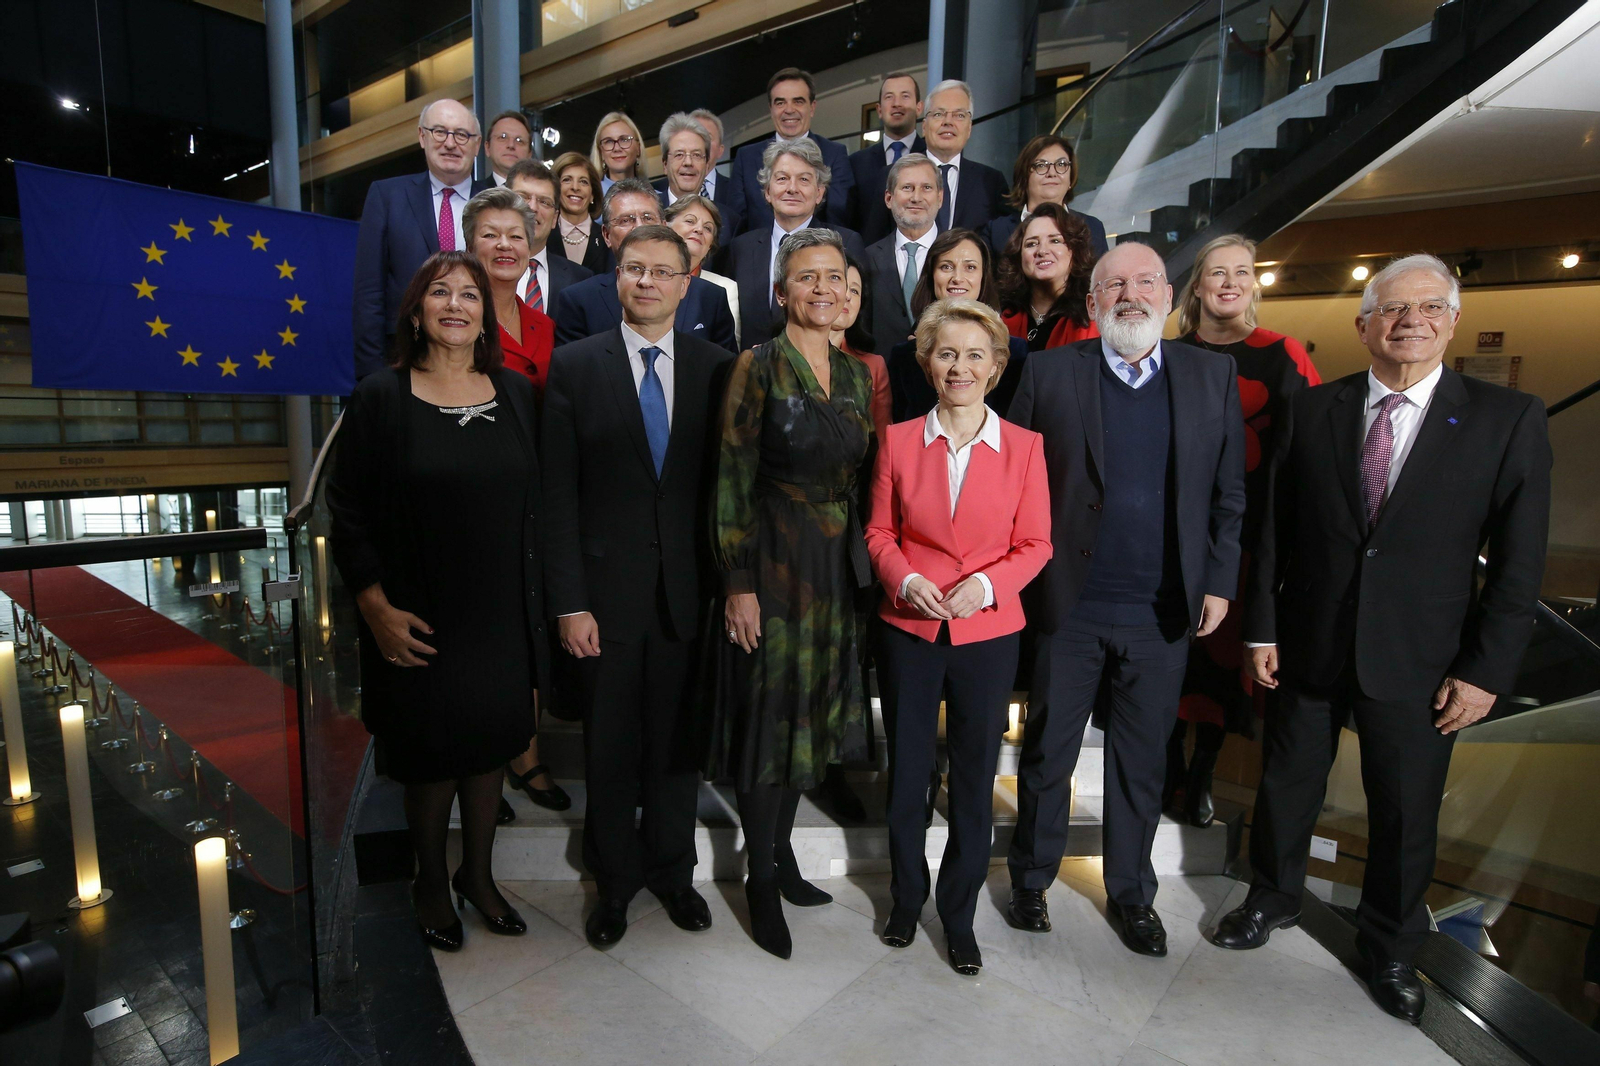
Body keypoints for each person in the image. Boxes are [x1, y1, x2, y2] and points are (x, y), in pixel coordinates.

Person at [1213, 254, 1551, 1025]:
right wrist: (1261, 628)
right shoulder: (1313, 408)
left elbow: (1520, 566)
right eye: (1393, 310)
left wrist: (1484, 672)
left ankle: (1393, 949)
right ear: (1366, 325)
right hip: (1308, 642)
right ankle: (1272, 899)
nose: (1410, 321)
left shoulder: (1506, 419)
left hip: (1425, 659)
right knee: (1286, 785)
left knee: (1405, 812)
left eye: (1429, 308)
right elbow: (1275, 535)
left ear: (1453, 321)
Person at [1005, 241, 1245, 960]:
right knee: (1048, 750)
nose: (1130, 295)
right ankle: (1031, 879)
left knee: (1142, 760)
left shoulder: (1212, 374)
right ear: (1093, 301)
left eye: (1145, 283)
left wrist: (1220, 582)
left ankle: (1134, 894)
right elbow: (1013, 483)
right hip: (1068, 605)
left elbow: (1229, 497)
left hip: (1163, 609)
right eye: (1114, 285)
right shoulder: (1046, 373)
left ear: (1170, 298)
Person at [328, 250, 547, 951]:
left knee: (487, 751)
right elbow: (348, 510)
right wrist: (373, 607)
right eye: (440, 293)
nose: (456, 305)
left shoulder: (515, 393)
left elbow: (539, 503)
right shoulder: (380, 397)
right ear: (417, 311)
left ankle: (477, 878)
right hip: (415, 614)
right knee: (429, 758)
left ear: (488, 313)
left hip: (500, 612)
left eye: (471, 295)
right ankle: (430, 881)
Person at [543, 226, 732, 948]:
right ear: (616, 279)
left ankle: (673, 875)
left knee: (677, 750)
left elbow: (726, 490)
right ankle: (613, 885)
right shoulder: (574, 367)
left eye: (663, 271)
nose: (647, 282)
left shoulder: (721, 368)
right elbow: (556, 497)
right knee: (611, 752)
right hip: (602, 602)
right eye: (634, 269)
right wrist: (569, 602)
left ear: (688, 285)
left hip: (689, 598)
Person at [864, 298, 1052, 976]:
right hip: (909, 627)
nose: (961, 366)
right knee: (908, 773)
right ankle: (905, 901)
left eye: (976, 355)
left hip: (989, 633)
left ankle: (960, 914)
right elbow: (879, 533)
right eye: (947, 353)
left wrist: (989, 585)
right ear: (927, 361)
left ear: (997, 367)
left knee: (974, 779)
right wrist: (905, 579)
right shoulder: (897, 440)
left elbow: (1036, 544)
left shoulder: (1026, 448)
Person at [705, 228, 876, 960]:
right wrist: (737, 583)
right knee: (769, 718)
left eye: (832, 278)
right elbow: (732, 477)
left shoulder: (858, 374)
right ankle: (760, 879)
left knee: (813, 711)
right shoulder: (758, 365)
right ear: (781, 292)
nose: (820, 289)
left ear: (847, 292)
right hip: (772, 557)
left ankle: (783, 854)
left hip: (836, 564)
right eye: (805, 278)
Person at [1163, 235, 1320, 827]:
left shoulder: (1283, 355)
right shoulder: (1168, 353)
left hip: (1250, 537)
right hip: (1173, 532)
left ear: (1254, 284)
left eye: (1242, 273)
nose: (1229, 282)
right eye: (1217, 272)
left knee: (1224, 661)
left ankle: (1201, 774)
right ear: (1197, 284)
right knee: (1173, 655)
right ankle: (1169, 772)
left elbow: (1308, 449)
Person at [352, 99, 492, 379]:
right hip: (403, 357)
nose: (451, 143)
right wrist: (371, 376)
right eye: (440, 132)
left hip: (480, 356)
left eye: (462, 135)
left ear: (476, 145)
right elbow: (369, 292)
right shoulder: (387, 196)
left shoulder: (495, 202)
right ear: (422, 136)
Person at [550, 179, 737, 353]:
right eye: (626, 220)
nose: (639, 227)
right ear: (606, 235)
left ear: (664, 226)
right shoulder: (578, 301)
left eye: (648, 218)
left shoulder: (711, 297)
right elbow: (574, 379)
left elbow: (726, 379)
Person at [721, 138, 866, 347]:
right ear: (767, 192)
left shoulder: (846, 243)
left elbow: (858, 322)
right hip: (753, 372)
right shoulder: (741, 248)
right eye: (782, 179)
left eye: (804, 180)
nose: (792, 188)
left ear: (819, 193)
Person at [887, 228, 1031, 421]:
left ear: (983, 276)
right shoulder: (903, 356)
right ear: (931, 275)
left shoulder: (1016, 353)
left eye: (970, 267)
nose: (957, 278)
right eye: (946, 267)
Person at [725, 68, 854, 235]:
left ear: (812, 107)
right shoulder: (746, 157)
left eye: (798, 101)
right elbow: (736, 221)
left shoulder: (835, 154)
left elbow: (840, 217)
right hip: (760, 257)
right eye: (780, 103)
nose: (789, 109)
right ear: (771, 109)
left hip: (817, 253)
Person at [463, 188, 556, 396]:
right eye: (490, 235)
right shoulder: (458, 317)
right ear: (470, 247)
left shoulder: (544, 325)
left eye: (516, 236)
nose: (504, 245)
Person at [863, 154, 943, 360]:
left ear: (940, 198)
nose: (916, 197)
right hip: (883, 380)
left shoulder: (961, 255)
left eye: (926, 188)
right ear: (888, 198)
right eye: (907, 188)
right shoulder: (866, 258)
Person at [995, 202, 1098, 352]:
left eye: (1055, 241)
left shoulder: (1093, 316)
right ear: (1019, 256)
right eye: (1031, 244)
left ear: (1075, 251)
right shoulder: (1002, 318)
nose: (1042, 251)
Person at [985, 135, 1108, 257]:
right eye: (1041, 165)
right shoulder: (996, 231)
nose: (1052, 173)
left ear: (1070, 179)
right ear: (1024, 177)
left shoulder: (1093, 228)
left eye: (1061, 164)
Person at [504, 158, 593, 315]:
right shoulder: (478, 271)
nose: (532, 207)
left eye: (544, 202)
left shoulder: (581, 280)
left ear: (554, 219)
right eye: (522, 197)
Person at [847, 72, 926, 244]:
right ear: (879, 110)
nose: (897, 104)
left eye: (905, 96)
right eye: (889, 97)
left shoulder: (932, 160)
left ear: (919, 107)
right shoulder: (856, 163)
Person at [920, 80, 1008, 234]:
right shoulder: (894, 176)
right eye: (939, 114)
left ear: (969, 129)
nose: (948, 122)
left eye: (959, 115)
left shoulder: (991, 182)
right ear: (924, 126)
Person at [665, 193, 740, 349]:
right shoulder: (647, 278)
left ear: (711, 245)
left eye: (707, 228)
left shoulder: (727, 288)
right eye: (690, 221)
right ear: (666, 227)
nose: (699, 229)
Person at [829, 256, 890, 440]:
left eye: (855, 291)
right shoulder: (765, 358)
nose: (847, 295)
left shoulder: (874, 366)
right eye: (839, 283)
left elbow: (882, 442)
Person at [552, 152, 611, 276]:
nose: (575, 187)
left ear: (592, 194)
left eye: (583, 182)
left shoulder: (608, 238)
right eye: (567, 180)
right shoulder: (544, 236)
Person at [689, 108, 737, 233]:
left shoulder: (735, 190)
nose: (700, 143)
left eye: (707, 137)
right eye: (695, 135)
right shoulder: (661, 190)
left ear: (721, 150)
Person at [590, 111, 645, 194]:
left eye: (624, 140)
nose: (617, 148)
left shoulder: (658, 199)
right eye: (608, 141)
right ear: (600, 152)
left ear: (638, 148)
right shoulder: (590, 197)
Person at [486, 109, 534, 187]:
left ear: (529, 154)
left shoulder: (538, 196)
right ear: (487, 147)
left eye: (519, 140)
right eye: (503, 137)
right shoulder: (472, 195)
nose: (511, 145)